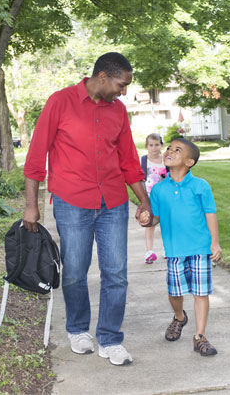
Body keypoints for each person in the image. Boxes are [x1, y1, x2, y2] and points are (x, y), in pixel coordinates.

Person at [22, 52, 152, 366]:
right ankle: (78, 329)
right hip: (72, 202)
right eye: (122, 85)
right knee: (75, 272)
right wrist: (31, 207)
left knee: (116, 274)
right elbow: (37, 156)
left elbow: (129, 163)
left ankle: (110, 338)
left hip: (113, 203)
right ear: (103, 77)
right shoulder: (60, 102)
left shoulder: (119, 112)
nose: (124, 92)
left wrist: (144, 201)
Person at [144, 138, 222, 356]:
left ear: (189, 162)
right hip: (174, 250)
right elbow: (155, 218)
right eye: (169, 148)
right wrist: (146, 220)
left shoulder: (200, 186)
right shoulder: (159, 189)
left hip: (199, 248)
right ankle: (179, 317)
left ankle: (200, 336)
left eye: (177, 150)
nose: (169, 151)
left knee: (201, 292)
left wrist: (214, 243)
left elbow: (210, 213)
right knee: (174, 292)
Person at [140, 133, 168, 264]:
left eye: (157, 145)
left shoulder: (166, 160)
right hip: (150, 198)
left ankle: (167, 249)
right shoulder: (145, 160)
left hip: (165, 198)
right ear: (146, 146)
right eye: (151, 145)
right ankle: (149, 252)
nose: (154, 148)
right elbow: (141, 179)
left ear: (162, 145)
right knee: (150, 224)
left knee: (166, 224)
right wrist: (143, 198)